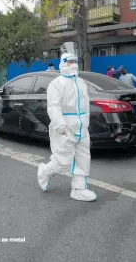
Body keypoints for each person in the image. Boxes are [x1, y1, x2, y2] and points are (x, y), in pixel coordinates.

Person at [37, 52, 97, 202]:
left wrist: (86, 122)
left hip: (81, 127)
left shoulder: (81, 82)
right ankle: (44, 171)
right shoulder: (57, 83)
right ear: (63, 63)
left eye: (74, 61)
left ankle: (79, 189)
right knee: (63, 162)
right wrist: (59, 123)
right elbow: (53, 106)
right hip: (65, 127)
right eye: (69, 61)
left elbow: (86, 105)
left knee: (83, 158)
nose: (73, 64)